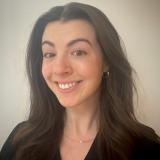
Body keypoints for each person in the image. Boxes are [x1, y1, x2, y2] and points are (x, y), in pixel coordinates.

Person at [0, 2, 160, 160]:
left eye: (78, 52)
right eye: (49, 54)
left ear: (107, 61)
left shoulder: (145, 147)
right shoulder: (20, 140)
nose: (59, 69)